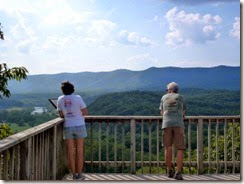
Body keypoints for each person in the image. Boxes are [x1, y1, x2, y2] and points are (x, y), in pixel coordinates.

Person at [57, 81, 88, 180]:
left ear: (62, 90)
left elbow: (61, 115)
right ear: (72, 89)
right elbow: (85, 112)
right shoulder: (78, 98)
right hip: (79, 125)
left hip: (68, 126)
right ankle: (80, 174)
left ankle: (73, 175)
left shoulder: (60, 99)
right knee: (79, 151)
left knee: (70, 152)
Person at [159, 82, 186, 180]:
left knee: (168, 148)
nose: (166, 91)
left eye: (167, 90)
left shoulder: (163, 97)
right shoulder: (181, 97)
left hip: (166, 124)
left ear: (170, 90)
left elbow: (161, 112)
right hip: (179, 124)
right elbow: (183, 113)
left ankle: (170, 171)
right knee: (180, 148)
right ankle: (178, 173)